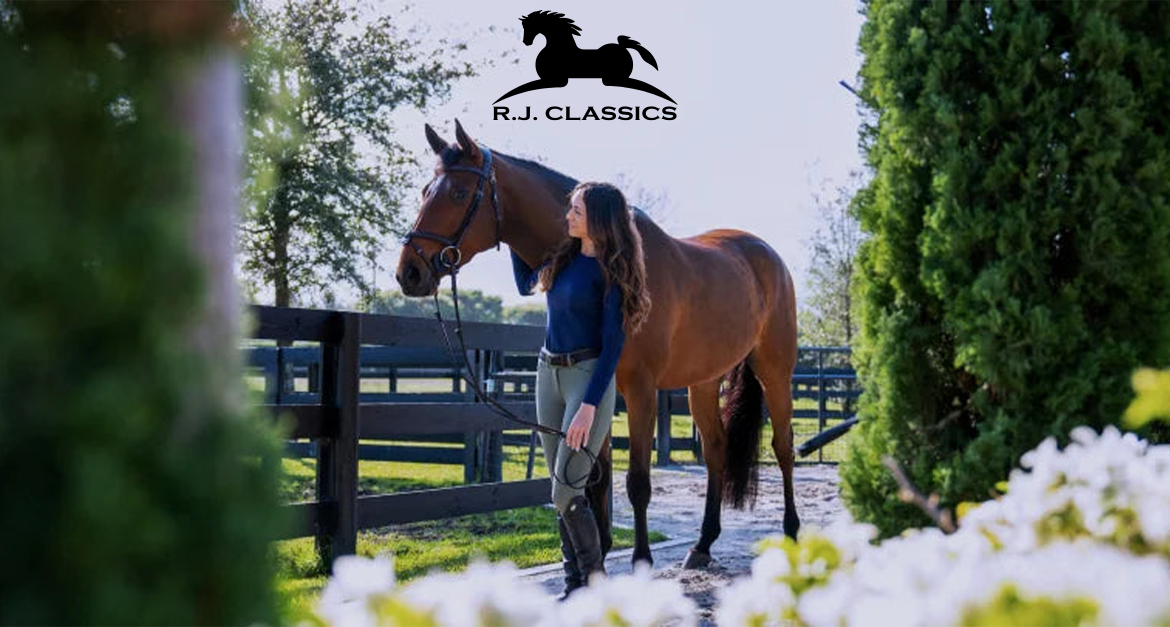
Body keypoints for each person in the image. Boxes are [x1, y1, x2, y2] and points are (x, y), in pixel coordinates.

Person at [510, 181, 651, 600]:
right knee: (561, 489)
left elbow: (613, 347)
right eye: (570, 208)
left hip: (586, 380)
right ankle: (575, 584)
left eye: (577, 211)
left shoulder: (612, 273)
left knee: (566, 488)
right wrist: (510, 234)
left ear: (599, 220)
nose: (568, 216)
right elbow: (524, 282)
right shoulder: (564, 258)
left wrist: (589, 407)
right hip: (547, 373)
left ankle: (593, 581)